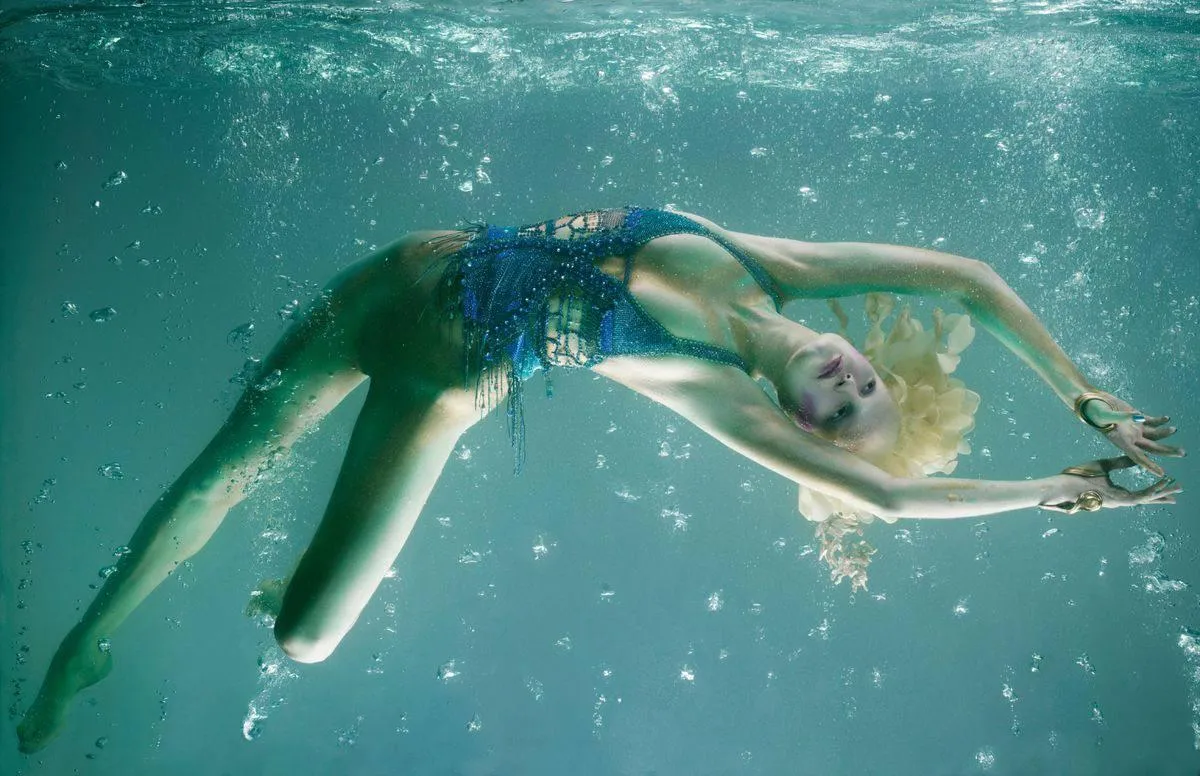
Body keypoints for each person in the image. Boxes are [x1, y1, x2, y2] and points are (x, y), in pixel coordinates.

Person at [16, 206, 1182, 753]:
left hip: (444, 389)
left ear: (800, 426)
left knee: (310, 641)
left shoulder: (719, 392)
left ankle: (282, 588)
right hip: (397, 272)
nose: (844, 379)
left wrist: (1054, 486)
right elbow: (969, 276)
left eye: (837, 410)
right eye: (868, 382)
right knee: (224, 463)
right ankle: (85, 642)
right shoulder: (774, 267)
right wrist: (1082, 390)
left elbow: (884, 499)